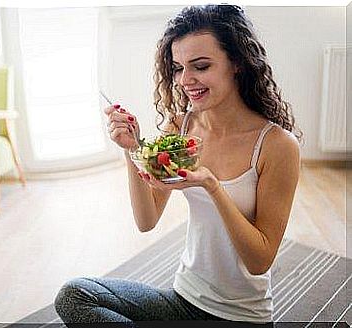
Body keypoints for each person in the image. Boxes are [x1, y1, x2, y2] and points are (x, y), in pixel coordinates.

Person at [54, 4, 301, 327]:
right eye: (178, 68)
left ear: (237, 63)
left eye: (200, 66)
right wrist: (133, 151)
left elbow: (259, 260)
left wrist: (211, 185)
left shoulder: (277, 145)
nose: (186, 80)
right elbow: (147, 220)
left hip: (241, 317)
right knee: (74, 296)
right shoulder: (180, 128)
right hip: (183, 299)